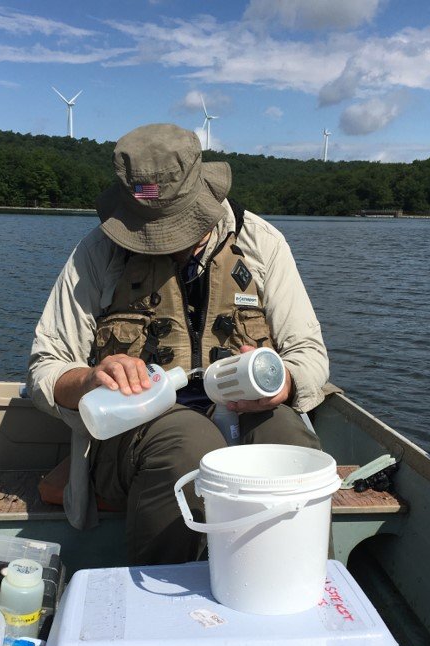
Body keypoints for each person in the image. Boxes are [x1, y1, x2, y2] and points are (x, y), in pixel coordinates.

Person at [28, 123, 329, 565]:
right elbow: (44, 367)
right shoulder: (97, 253)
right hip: (131, 445)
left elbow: (310, 355)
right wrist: (89, 378)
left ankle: (297, 591)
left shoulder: (263, 244)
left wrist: (285, 381)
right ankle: (163, 603)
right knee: (188, 442)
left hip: (246, 419)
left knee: (289, 440)